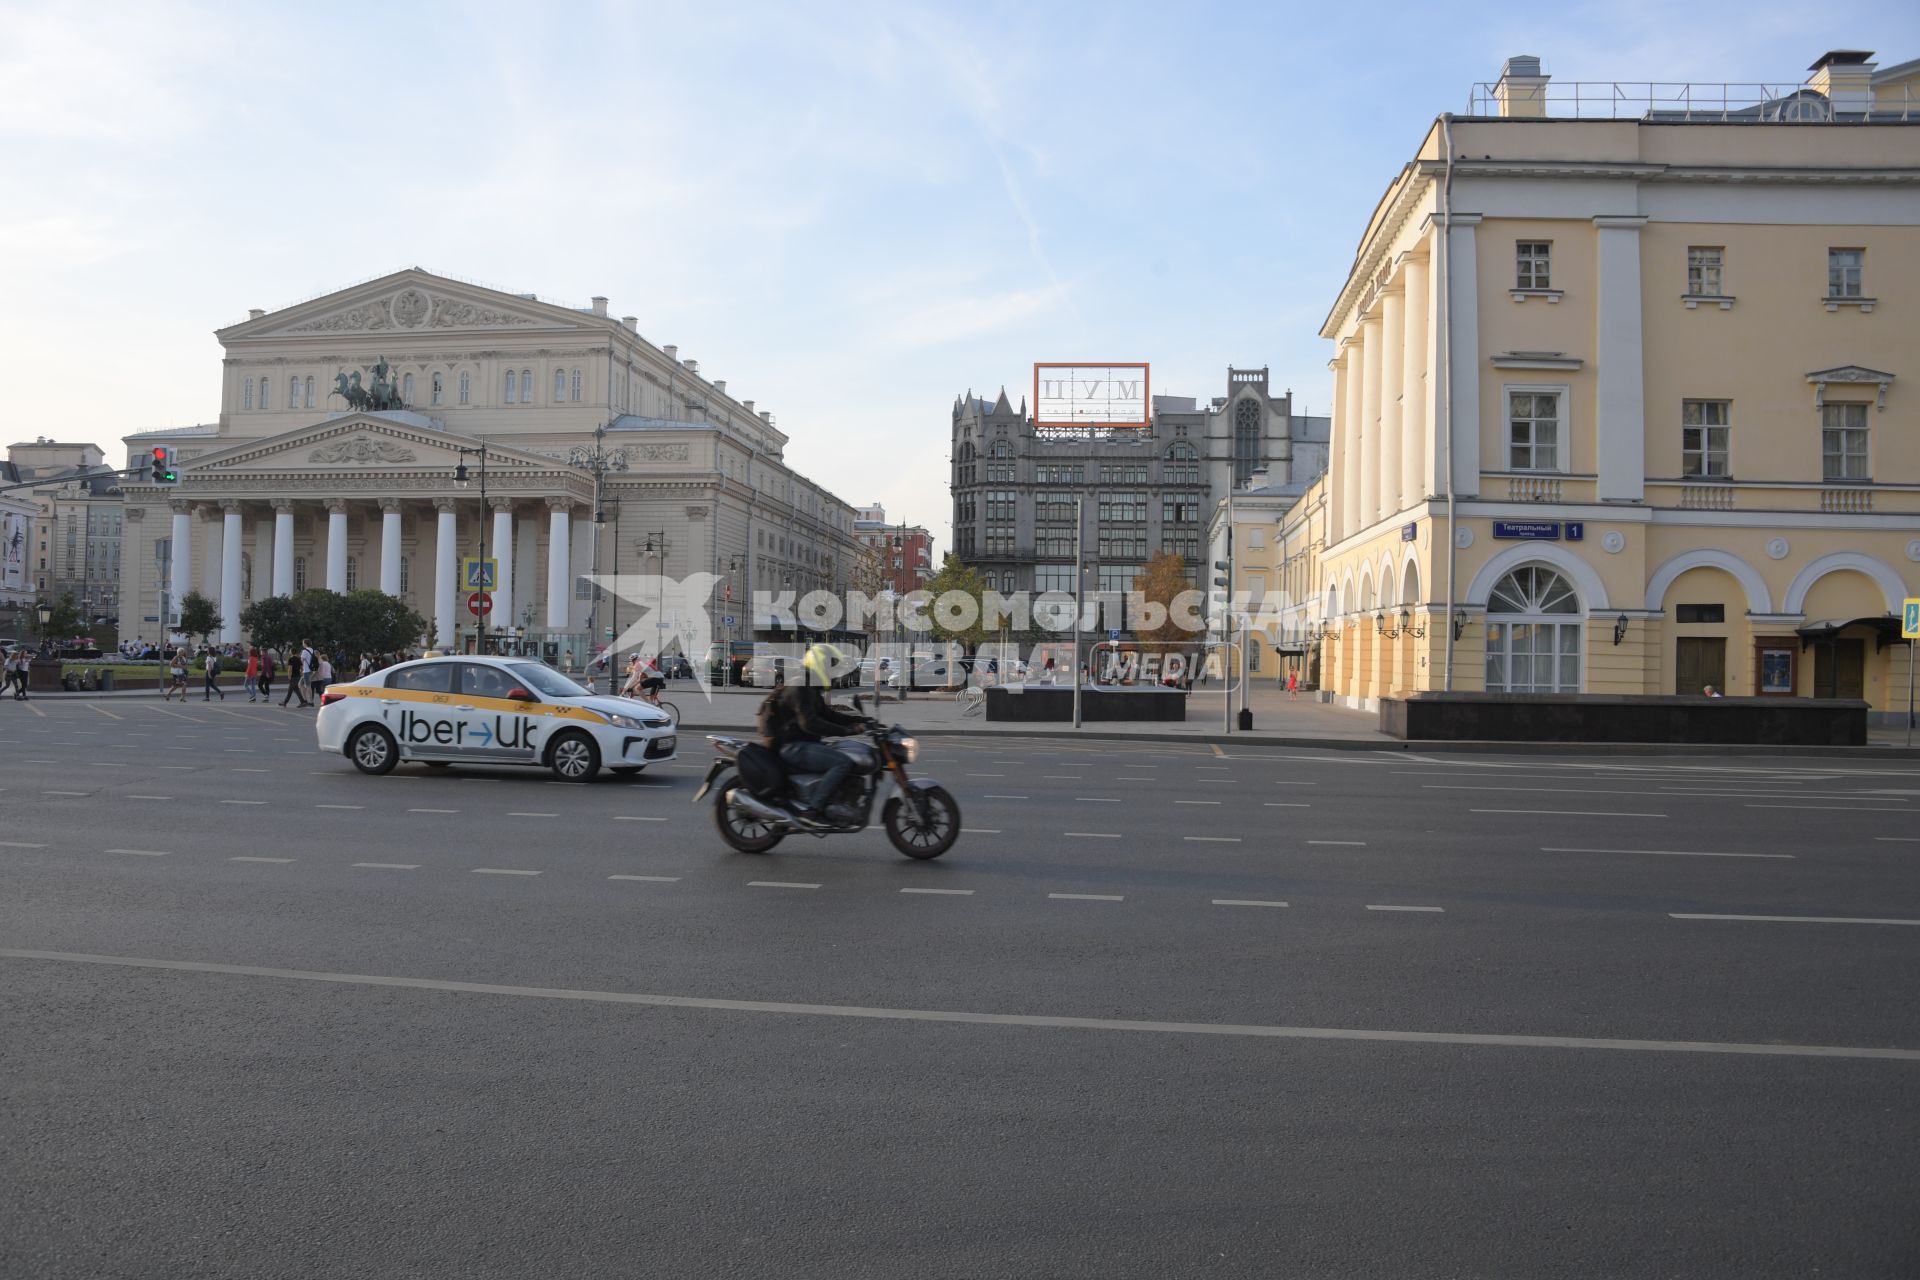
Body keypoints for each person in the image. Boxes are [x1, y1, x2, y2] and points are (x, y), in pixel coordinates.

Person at [758, 643, 870, 821]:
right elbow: (809, 723)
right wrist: (846, 731)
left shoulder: (809, 686)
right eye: (831, 669)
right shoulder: (800, 686)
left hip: (804, 743)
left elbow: (828, 715)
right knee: (842, 763)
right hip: (793, 746)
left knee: (841, 751)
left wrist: (861, 721)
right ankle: (814, 809)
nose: (834, 674)